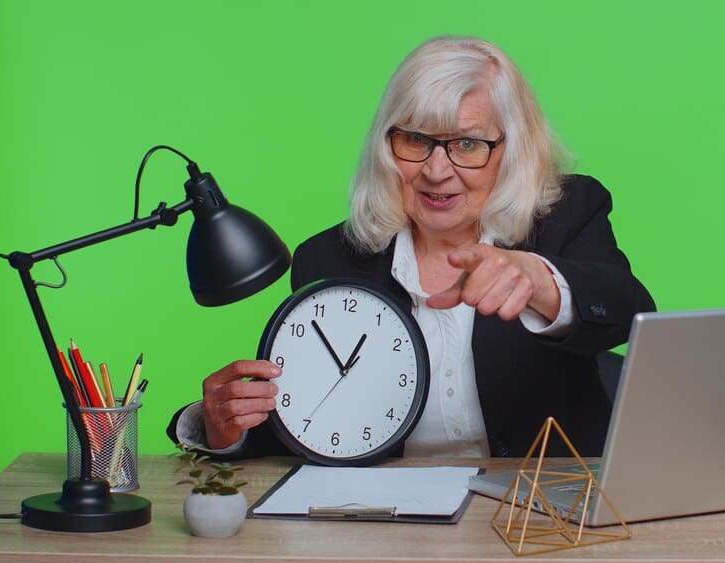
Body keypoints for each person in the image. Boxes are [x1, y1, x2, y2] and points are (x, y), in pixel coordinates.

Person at [168, 36, 655, 459]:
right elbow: (316, 425)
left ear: (513, 149)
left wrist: (535, 279)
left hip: (538, 521)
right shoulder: (327, 260)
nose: (436, 171)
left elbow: (627, 310)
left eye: (467, 144)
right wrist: (216, 427)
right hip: (387, 525)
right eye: (416, 140)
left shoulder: (568, 214)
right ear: (386, 146)